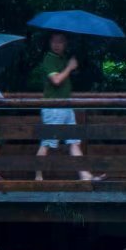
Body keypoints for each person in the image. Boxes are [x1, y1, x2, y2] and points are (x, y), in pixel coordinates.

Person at [33, 30, 95, 181]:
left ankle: (85, 175)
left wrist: (71, 65)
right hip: (53, 107)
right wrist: (69, 67)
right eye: (54, 41)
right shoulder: (49, 59)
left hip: (66, 107)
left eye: (60, 41)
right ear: (49, 43)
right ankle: (38, 177)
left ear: (66, 43)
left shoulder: (63, 58)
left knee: (74, 142)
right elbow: (56, 80)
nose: (56, 44)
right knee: (47, 143)